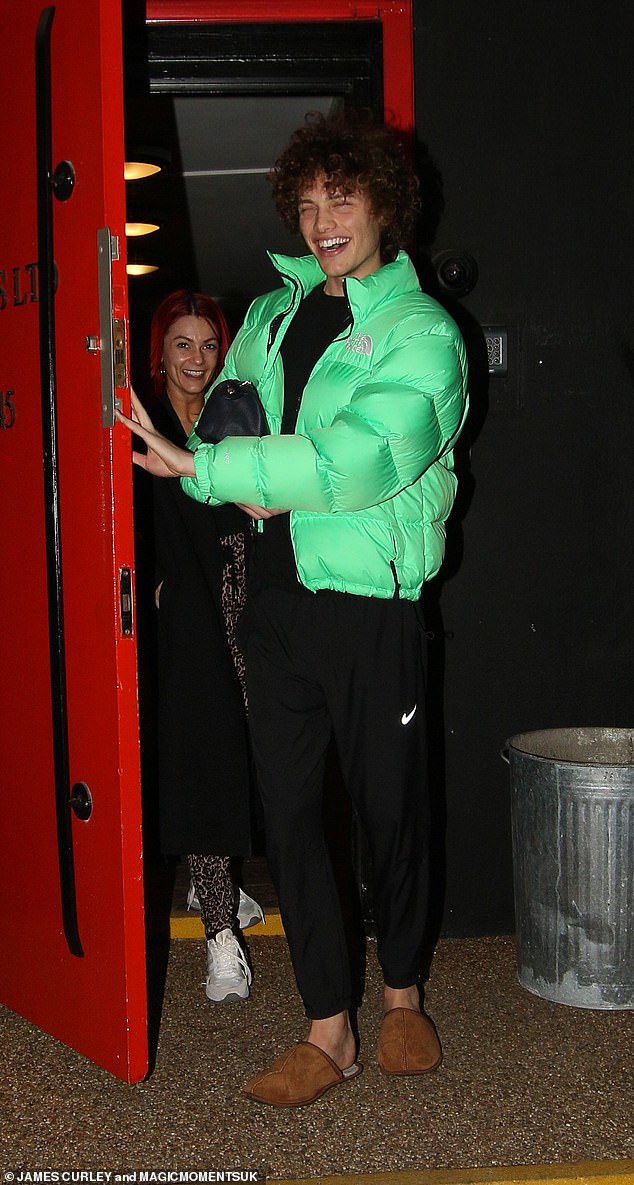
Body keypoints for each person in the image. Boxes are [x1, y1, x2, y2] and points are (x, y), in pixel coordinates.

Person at [118, 111, 468, 1105]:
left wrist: (222, 466)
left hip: (368, 606)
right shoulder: (270, 316)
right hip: (272, 608)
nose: (322, 222)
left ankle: (400, 995)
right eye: (307, 205)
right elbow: (227, 422)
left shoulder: (421, 333)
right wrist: (201, 466)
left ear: (384, 206)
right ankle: (329, 1027)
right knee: (289, 819)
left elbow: (358, 460)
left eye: (341, 200)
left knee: (389, 809)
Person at [145, 289, 263, 1004]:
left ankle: (220, 880)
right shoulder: (143, 424)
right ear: (159, 352)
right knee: (204, 755)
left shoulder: (237, 415)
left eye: (208, 345)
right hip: (184, 615)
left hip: (247, 604)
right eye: (182, 344)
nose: (196, 358)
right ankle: (221, 933)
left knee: (252, 748)